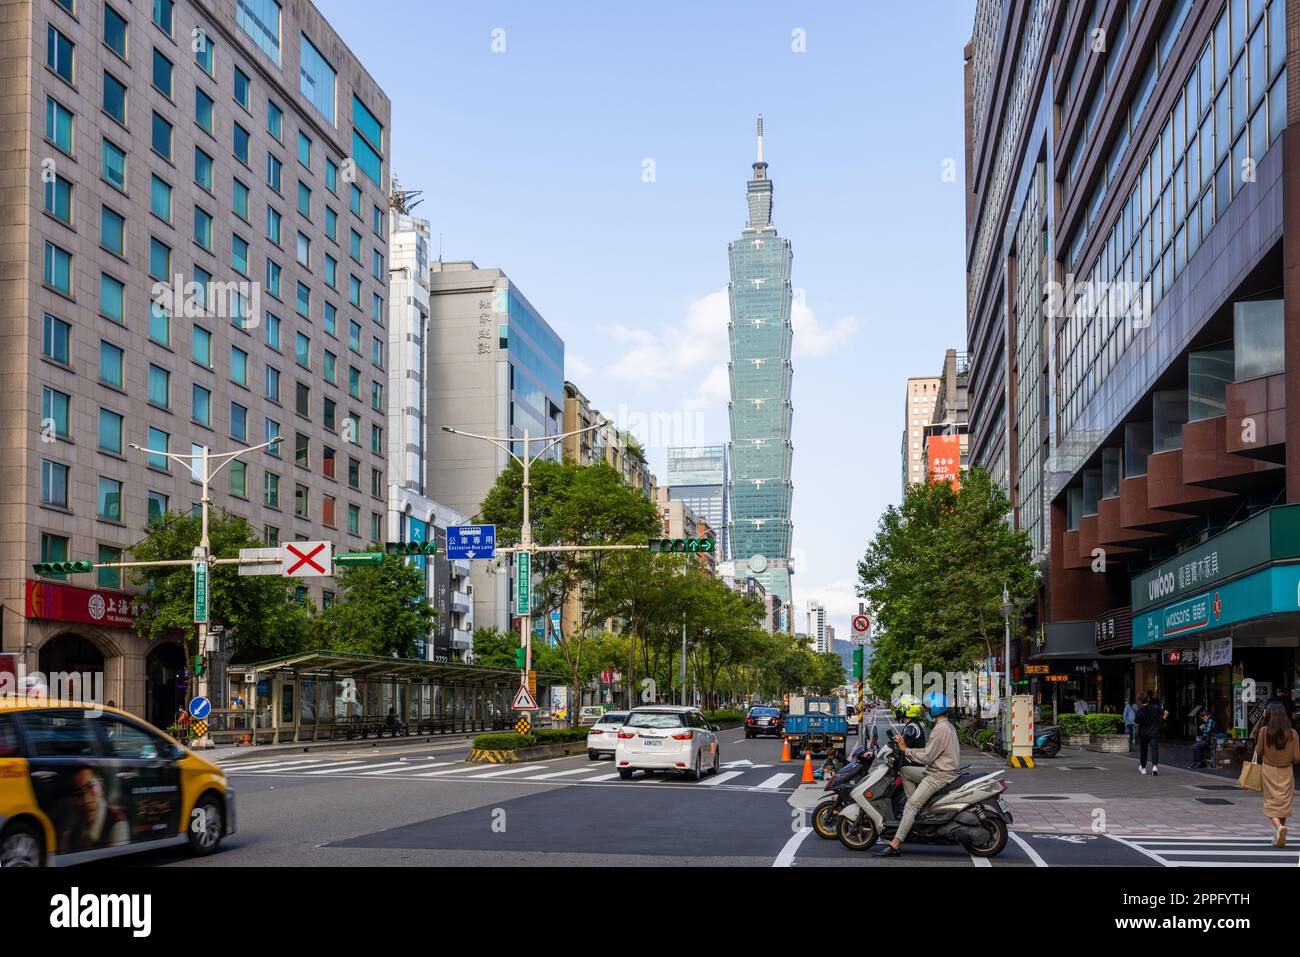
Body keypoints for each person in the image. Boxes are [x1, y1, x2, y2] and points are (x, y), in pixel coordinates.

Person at [872, 691, 960, 857]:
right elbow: (929, 752)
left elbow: (927, 756)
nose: (925, 710)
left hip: (939, 775)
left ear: (935, 709)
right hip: (942, 770)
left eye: (928, 708)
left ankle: (895, 844)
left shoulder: (939, 729)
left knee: (911, 806)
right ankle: (916, 809)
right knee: (905, 771)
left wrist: (906, 750)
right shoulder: (947, 726)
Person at [1254, 701, 1300, 847]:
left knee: (1270, 802)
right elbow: (1297, 758)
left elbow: (1258, 751)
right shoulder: (1293, 733)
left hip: (1268, 770)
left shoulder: (1263, 731)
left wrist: (1262, 720)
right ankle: (1280, 834)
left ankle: (1279, 828)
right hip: (1286, 770)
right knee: (1284, 803)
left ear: (1268, 713)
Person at [56, 765, 129, 853]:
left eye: (90, 786)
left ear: (101, 785)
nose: (86, 799)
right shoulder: (74, 827)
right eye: (79, 792)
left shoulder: (117, 823)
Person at [1135, 691, 1167, 776]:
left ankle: (1143, 768)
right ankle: (1154, 767)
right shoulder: (1155, 707)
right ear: (1148, 699)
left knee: (1143, 751)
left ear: (1139, 701)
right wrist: (1162, 721)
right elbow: (1166, 712)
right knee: (1154, 750)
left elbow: (1137, 723)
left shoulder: (1139, 711)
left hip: (1143, 733)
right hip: (1154, 732)